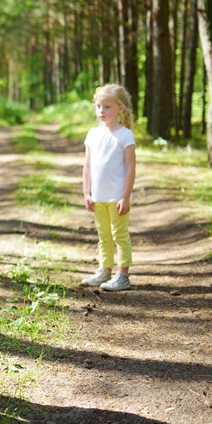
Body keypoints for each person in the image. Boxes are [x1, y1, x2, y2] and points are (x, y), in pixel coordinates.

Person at [80, 84, 136, 292]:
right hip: (99, 196)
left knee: (119, 235)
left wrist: (125, 196)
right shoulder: (93, 134)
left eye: (107, 107)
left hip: (117, 197)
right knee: (103, 235)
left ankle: (123, 275)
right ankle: (105, 270)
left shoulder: (125, 135)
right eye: (98, 106)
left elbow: (130, 168)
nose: (102, 111)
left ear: (120, 109)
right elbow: (87, 166)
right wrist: (87, 192)